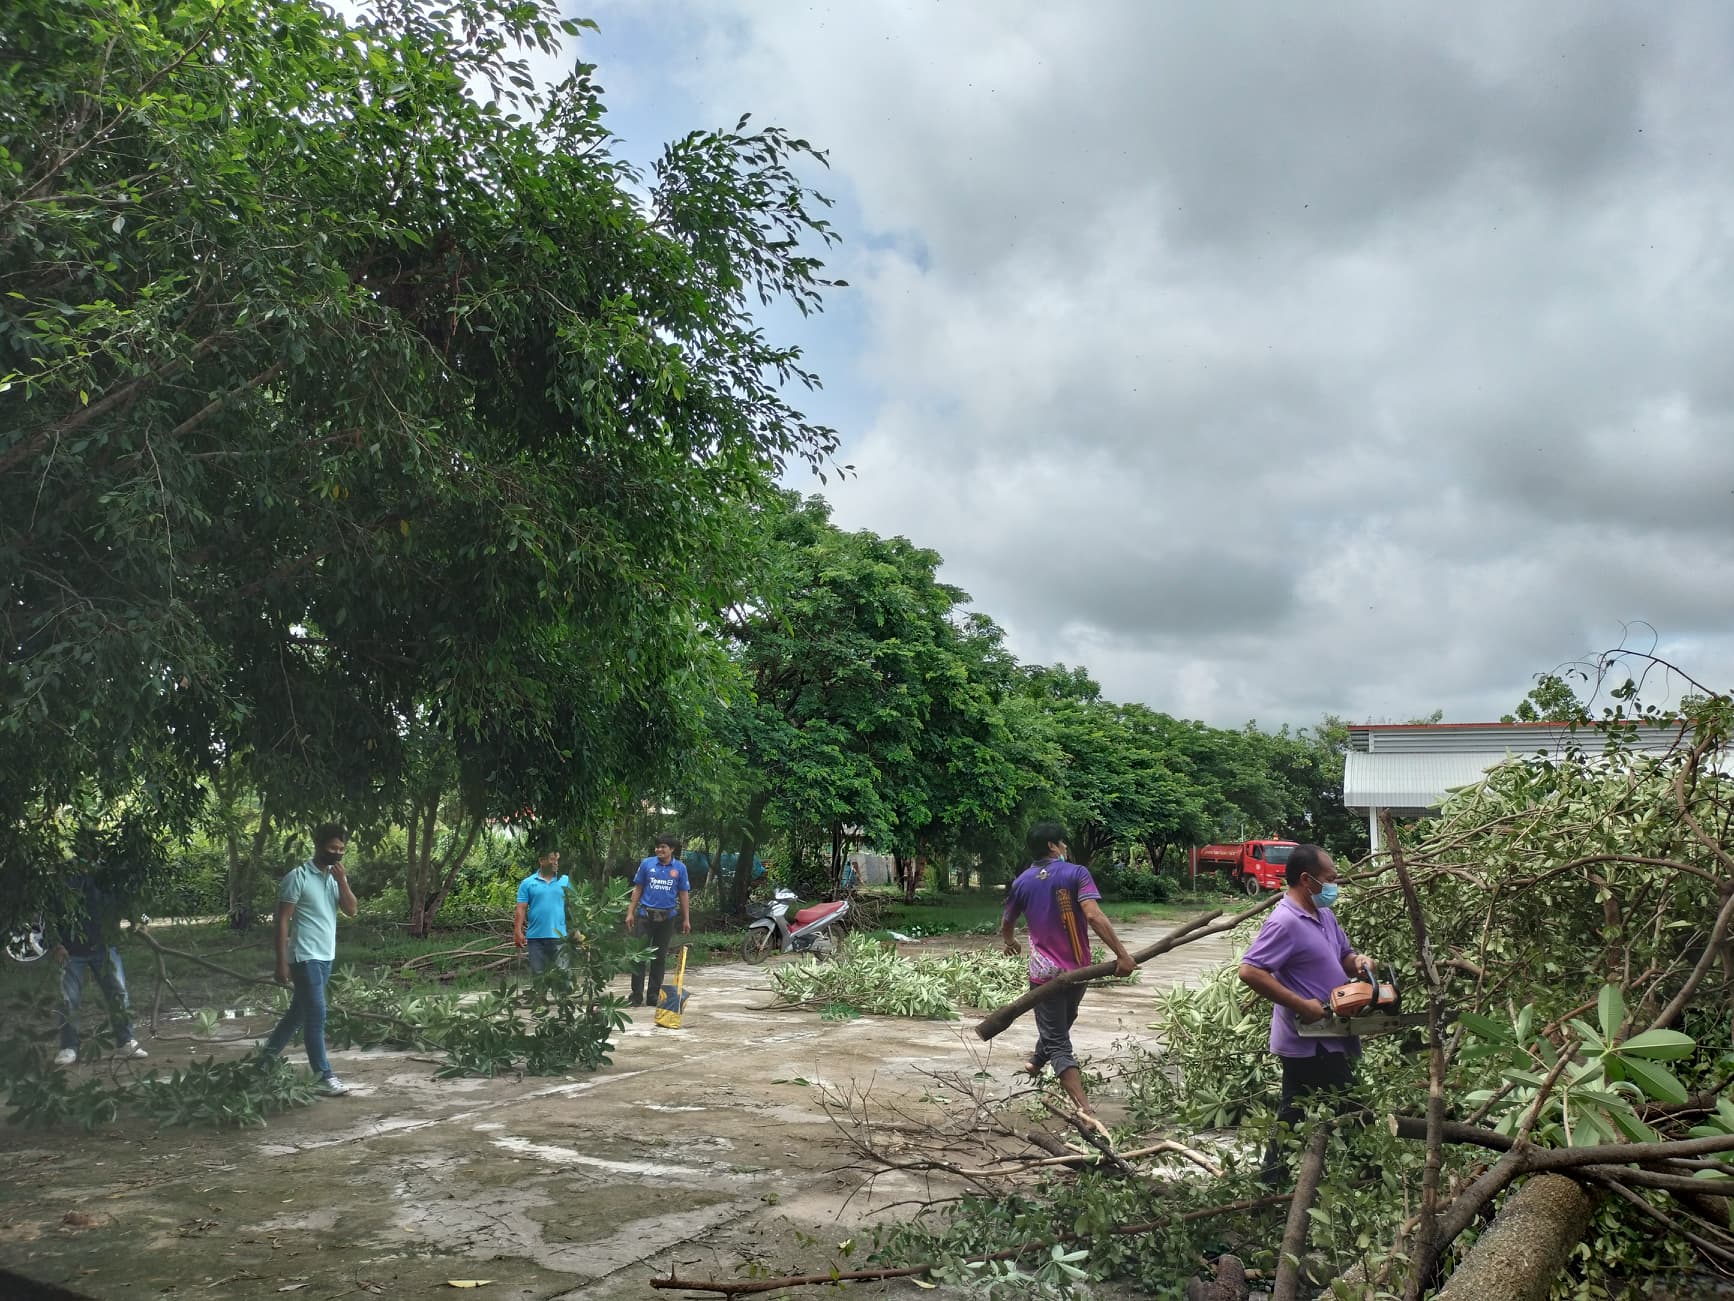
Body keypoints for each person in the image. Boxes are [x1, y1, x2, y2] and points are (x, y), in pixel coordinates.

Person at [1238, 843, 1374, 1185]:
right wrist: (1302, 1004)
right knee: (1354, 1107)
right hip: (1309, 1038)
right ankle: (1371, 1175)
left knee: (1293, 1111)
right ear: (1306, 879)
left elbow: (1343, 955)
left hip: (1331, 1031)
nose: (1334, 886)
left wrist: (1358, 962)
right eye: (1330, 879)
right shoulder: (1284, 922)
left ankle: (1270, 1181)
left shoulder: (1323, 914)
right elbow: (1250, 971)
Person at [1000, 822, 1135, 1131]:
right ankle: (1085, 1111)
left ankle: (1037, 1059)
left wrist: (1010, 943)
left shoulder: (1021, 882)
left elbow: (1007, 922)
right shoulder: (1076, 873)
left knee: (1062, 1023)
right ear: (1052, 846)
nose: (1065, 848)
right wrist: (1122, 955)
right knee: (1060, 1039)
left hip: (1045, 972)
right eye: (1062, 843)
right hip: (1078, 969)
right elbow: (1093, 915)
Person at [261, 823, 357, 1096]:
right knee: (317, 1015)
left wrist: (342, 881)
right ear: (318, 845)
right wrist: (281, 962)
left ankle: (262, 1064)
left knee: (297, 1015)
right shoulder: (298, 877)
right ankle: (323, 1076)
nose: (337, 853)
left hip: (326, 956)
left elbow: (351, 910)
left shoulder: (335, 878)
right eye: (332, 848)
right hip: (304, 956)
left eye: (341, 849)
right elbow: (282, 920)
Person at [47, 870, 147, 1066]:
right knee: (68, 999)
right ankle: (68, 1047)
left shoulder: (109, 874)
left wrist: (142, 919)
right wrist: (55, 944)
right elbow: (48, 914)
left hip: (105, 948)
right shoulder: (63, 876)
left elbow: (129, 902)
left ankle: (126, 1041)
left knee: (118, 993)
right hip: (70, 951)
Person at [626, 836, 690, 1007]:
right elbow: (638, 889)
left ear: (672, 849)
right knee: (639, 956)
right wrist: (630, 912)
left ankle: (653, 995)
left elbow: (683, 894)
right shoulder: (647, 864)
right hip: (645, 917)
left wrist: (686, 919)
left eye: (663, 847)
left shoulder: (680, 868)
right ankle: (636, 995)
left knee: (659, 957)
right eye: (657, 847)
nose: (659, 850)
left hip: (667, 918)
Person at [513, 844, 571, 976]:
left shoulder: (565, 881)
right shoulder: (527, 883)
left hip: (560, 937)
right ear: (542, 860)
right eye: (552, 859)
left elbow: (576, 904)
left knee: (562, 977)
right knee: (539, 977)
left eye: (557, 859)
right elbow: (521, 908)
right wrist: (517, 931)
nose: (556, 863)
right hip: (535, 938)